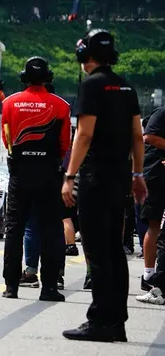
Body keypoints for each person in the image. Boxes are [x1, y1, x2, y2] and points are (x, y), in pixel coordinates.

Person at [61, 29, 146, 343]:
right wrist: (137, 175)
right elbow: (137, 136)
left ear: (85, 55)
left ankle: (99, 320)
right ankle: (117, 322)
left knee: (96, 250)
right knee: (115, 249)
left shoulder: (91, 86)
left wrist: (69, 176)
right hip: (121, 178)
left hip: (95, 178)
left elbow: (84, 135)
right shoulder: (126, 87)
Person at [1, 56, 70, 302]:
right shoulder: (61, 106)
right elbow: (65, 144)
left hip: (20, 172)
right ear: (48, 77)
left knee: (14, 229)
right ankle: (49, 288)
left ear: (24, 77)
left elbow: (7, 140)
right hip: (49, 174)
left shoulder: (9, 103)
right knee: (51, 229)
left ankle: (11, 286)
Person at [138, 106, 165, 296]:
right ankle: (149, 275)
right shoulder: (162, 113)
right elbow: (149, 136)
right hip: (156, 175)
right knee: (154, 223)